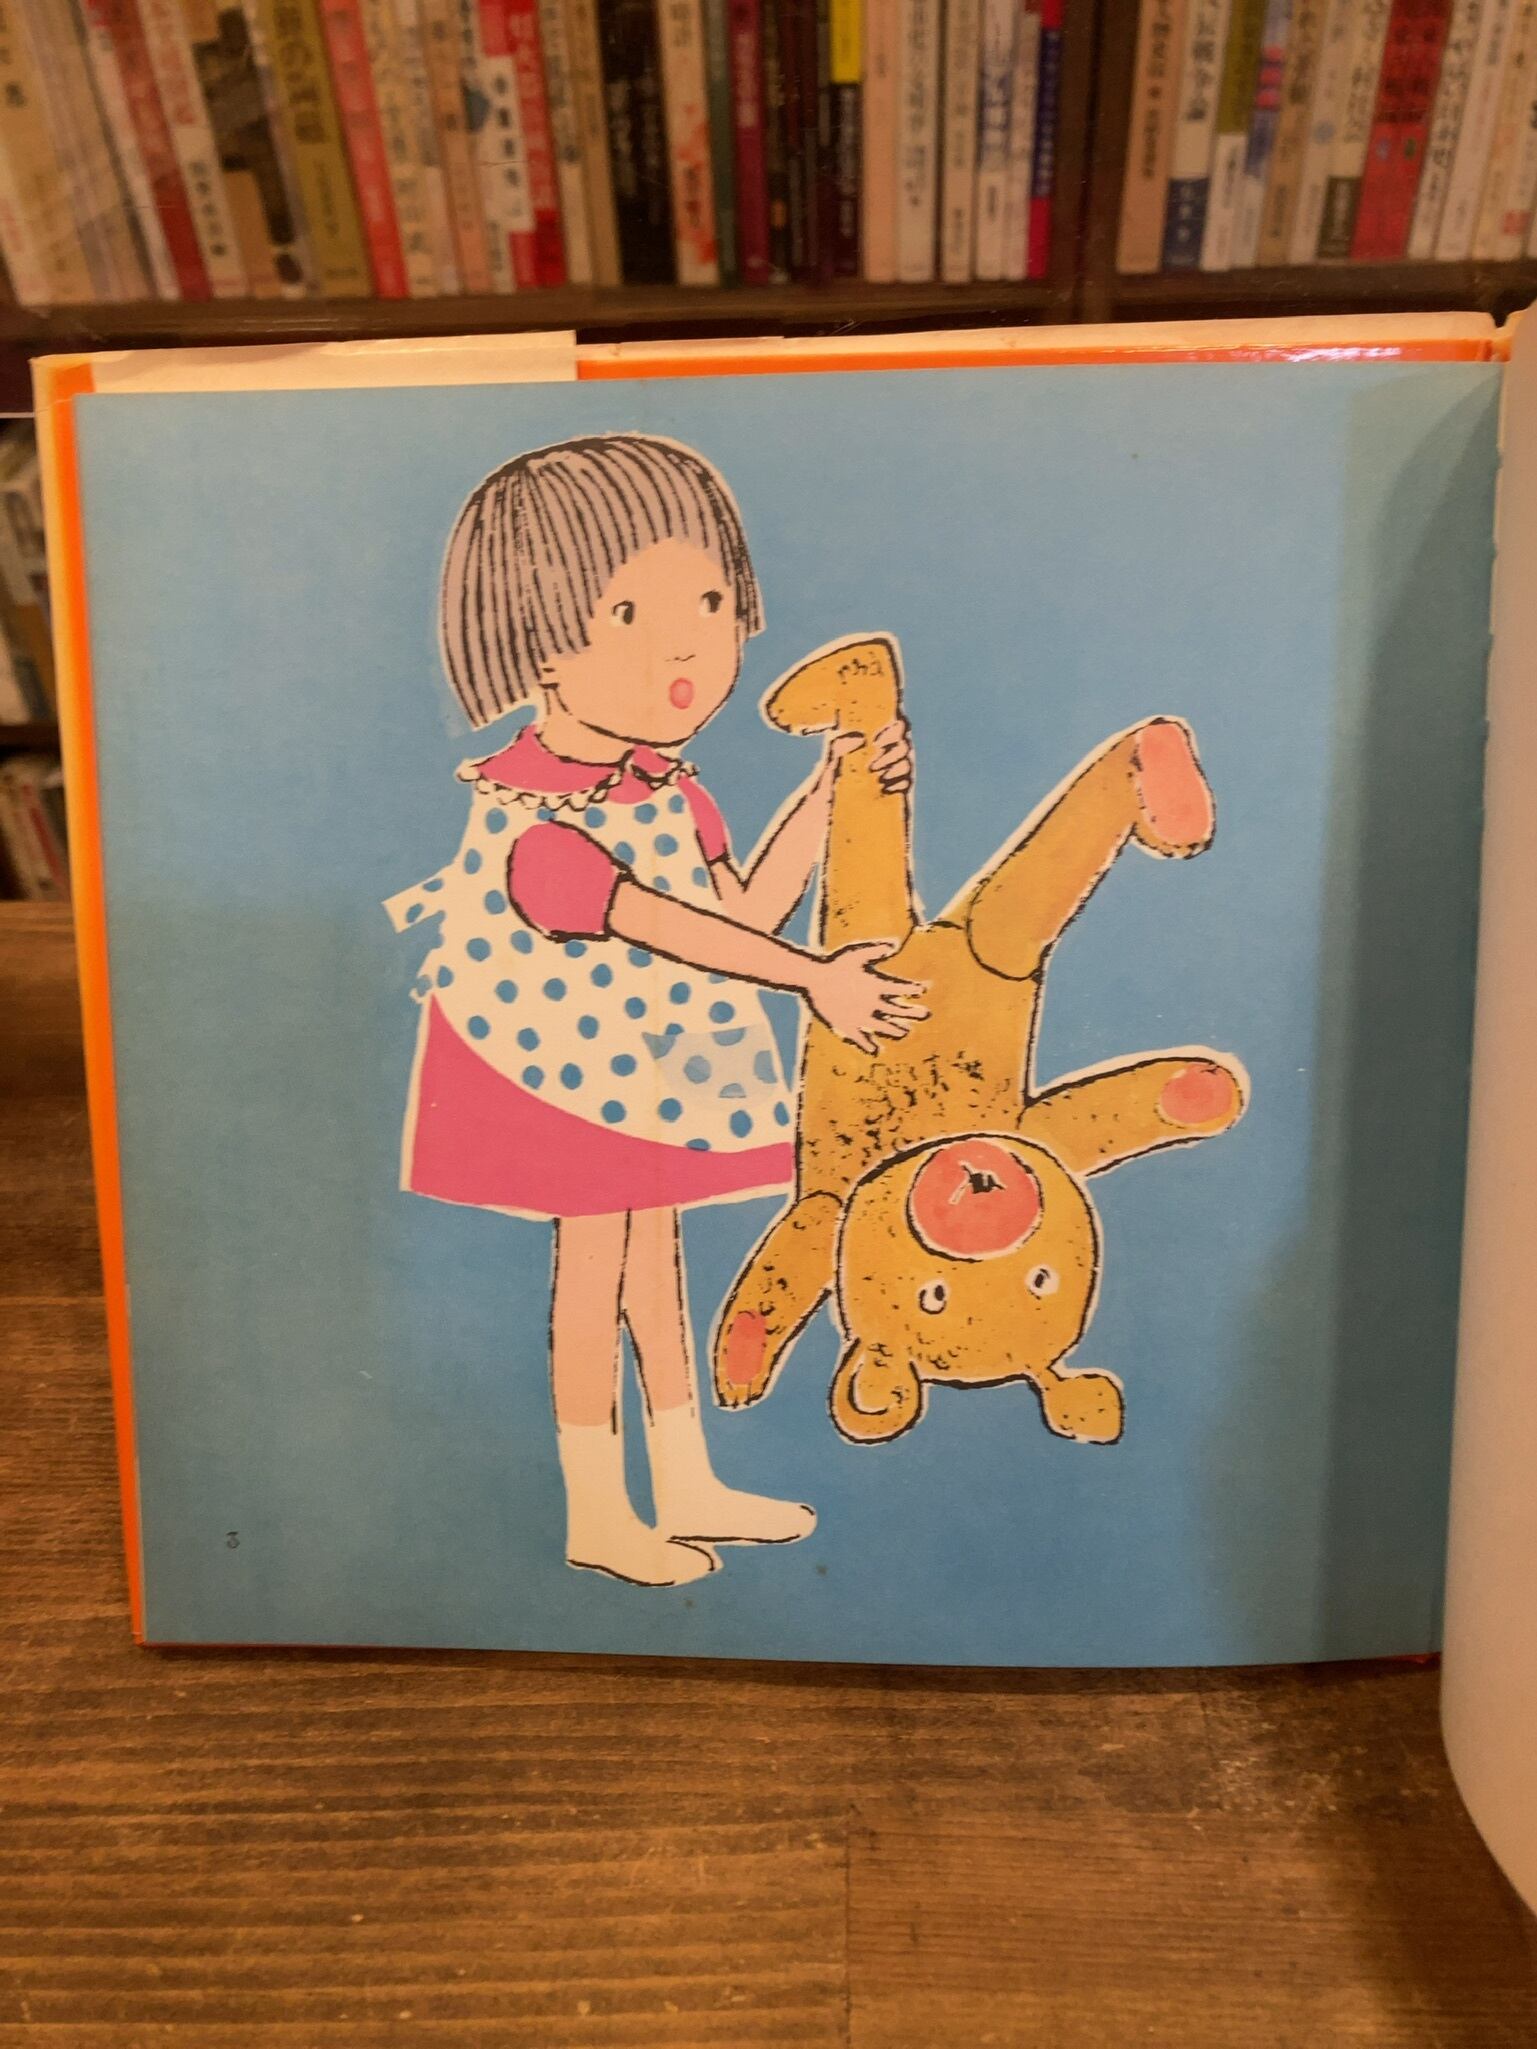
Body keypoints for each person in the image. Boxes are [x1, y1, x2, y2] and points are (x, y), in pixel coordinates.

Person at [385, 433, 923, 1587]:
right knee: (593, 1271)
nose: (687, 643)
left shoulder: (672, 790)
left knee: (656, 1266)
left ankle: (682, 1480)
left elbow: (745, 911)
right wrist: (816, 980)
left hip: (649, 1068)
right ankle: (595, 1508)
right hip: (548, 1074)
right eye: (628, 613)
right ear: (537, 641)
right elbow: (671, 930)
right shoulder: (536, 819)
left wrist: (832, 790)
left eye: (710, 602)